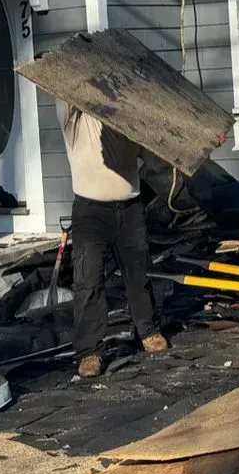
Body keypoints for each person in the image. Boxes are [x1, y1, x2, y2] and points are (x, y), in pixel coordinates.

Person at [61, 103, 167, 378]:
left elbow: (157, 154)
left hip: (130, 209)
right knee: (89, 280)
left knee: (139, 274)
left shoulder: (128, 115)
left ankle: (148, 331)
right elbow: (60, 75)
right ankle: (89, 352)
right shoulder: (75, 115)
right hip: (90, 211)